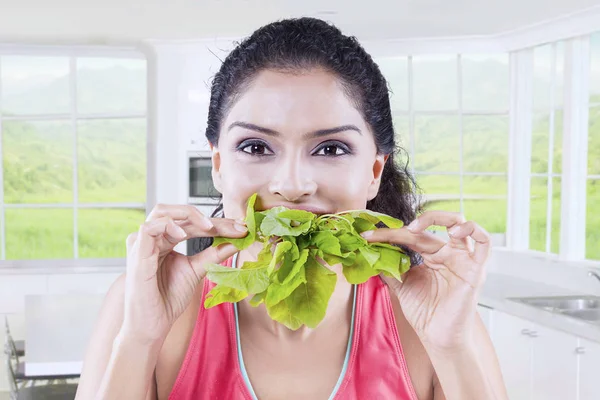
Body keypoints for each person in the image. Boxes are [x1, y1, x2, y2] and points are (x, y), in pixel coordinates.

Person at [75, 17, 508, 400]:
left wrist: (451, 350)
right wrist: (140, 340)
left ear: (374, 171)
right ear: (220, 166)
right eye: (256, 146)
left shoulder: (432, 317)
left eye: (332, 148)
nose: (293, 185)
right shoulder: (143, 304)